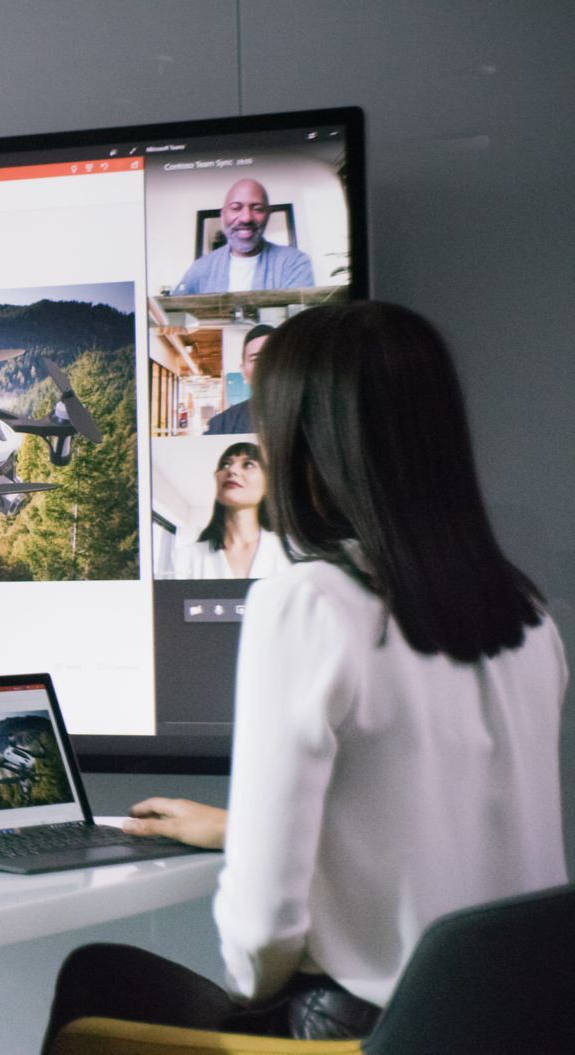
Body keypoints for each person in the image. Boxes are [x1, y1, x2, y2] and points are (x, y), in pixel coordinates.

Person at [42, 302, 566, 1047]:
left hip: (362, 1034)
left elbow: (259, 943)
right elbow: (439, 821)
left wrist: (255, 932)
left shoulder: (308, 601)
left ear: (306, 446)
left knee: (101, 976)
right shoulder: (526, 615)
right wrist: (236, 830)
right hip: (505, 1024)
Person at [164, 441, 291, 580]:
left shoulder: (290, 554)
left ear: (268, 484)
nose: (232, 470)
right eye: (225, 464)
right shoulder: (183, 559)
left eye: (248, 464)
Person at [172, 179, 314, 294]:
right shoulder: (201, 267)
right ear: (223, 215)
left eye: (257, 209)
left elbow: (300, 323)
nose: (246, 218)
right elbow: (175, 313)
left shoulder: (294, 262)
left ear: (268, 214)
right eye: (235, 208)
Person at [203, 324, 273, 435]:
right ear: (243, 372)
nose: (265, 365)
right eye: (256, 360)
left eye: (273, 357)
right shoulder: (222, 426)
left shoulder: (308, 418)